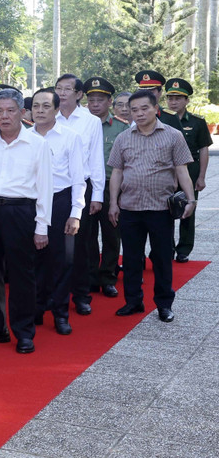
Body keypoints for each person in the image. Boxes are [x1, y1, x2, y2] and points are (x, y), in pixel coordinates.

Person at [0, 88, 52, 354]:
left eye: (10, 110)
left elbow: (45, 189)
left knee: (21, 274)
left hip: (21, 212)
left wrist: (41, 227)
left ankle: (24, 332)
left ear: (22, 113)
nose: (4, 116)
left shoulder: (38, 144)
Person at [108, 89, 196, 323]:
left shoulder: (173, 135)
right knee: (131, 258)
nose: (138, 113)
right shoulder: (123, 138)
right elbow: (117, 171)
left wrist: (191, 199)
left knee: (162, 258)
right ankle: (133, 301)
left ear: (155, 108)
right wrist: (113, 203)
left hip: (161, 210)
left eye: (143, 108)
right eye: (133, 109)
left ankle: (164, 304)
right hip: (130, 208)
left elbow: (182, 170)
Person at [30, 88, 85, 335]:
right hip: (29, 203)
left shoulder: (70, 137)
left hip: (60, 202)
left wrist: (76, 212)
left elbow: (78, 179)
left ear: (56, 110)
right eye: (35, 106)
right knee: (33, 259)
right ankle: (36, 308)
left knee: (61, 260)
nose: (40, 111)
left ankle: (61, 313)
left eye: (45, 106)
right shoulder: (24, 137)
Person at [54, 74, 104, 317]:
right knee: (52, 243)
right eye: (58, 88)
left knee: (80, 245)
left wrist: (98, 195)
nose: (62, 93)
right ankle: (52, 292)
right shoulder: (46, 116)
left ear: (78, 94)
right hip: (50, 188)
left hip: (82, 187)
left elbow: (96, 160)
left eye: (67, 89)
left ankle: (82, 295)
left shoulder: (89, 121)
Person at [84, 77, 129, 296]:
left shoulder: (121, 127)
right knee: (87, 234)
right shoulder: (80, 125)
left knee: (112, 233)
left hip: (112, 186)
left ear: (109, 101)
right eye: (91, 99)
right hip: (86, 186)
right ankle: (91, 276)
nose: (94, 104)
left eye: (99, 100)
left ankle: (108, 277)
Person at [164, 77, 212, 262]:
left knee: (188, 210)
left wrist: (201, 177)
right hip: (167, 172)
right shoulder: (161, 120)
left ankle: (184, 249)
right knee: (164, 211)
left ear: (186, 100)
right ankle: (166, 248)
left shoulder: (197, 122)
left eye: (178, 98)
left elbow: (203, 150)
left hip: (189, 172)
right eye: (170, 98)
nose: (173, 102)